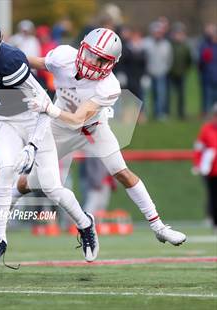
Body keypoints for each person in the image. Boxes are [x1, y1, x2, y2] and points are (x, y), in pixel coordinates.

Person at [17, 28, 186, 246]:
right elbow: (34, 62)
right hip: (60, 130)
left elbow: (78, 119)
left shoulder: (109, 86)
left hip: (93, 129)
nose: (93, 63)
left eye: (101, 60)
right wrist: (3, 58)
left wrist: (49, 109)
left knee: (122, 172)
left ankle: (159, 227)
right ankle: (2, 220)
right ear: (82, 48)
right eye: (91, 55)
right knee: (27, 182)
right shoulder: (63, 57)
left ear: (111, 63)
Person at [0, 13, 98, 265]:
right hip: (1, 120)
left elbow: (44, 104)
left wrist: (32, 144)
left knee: (53, 187)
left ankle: (85, 224)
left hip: (33, 119)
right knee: (5, 172)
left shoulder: (10, 62)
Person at [193, 104, 217, 232]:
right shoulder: (206, 129)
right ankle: (214, 221)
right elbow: (198, 148)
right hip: (211, 170)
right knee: (213, 196)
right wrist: (197, 163)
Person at [143, 21, 173, 120]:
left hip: (161, 73)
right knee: (146, 95)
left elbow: (169, 59)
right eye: (156, 32)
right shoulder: (146, 42)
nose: (158, 34)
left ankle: (159, 114)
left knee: (160, 95)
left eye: (159, 32)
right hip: (148, 73)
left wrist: (165, 69)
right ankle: (144, 115)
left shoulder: (166, 44)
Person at [169, 22, 191, 119]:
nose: (178, 36)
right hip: (171, 73)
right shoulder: (170, 45)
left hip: (182, 73)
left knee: (182, 95)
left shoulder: (185, 46)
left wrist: (185, 70)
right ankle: (167, 113)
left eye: (180, 33)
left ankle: (181, 113)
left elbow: (189, 60)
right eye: (177, 33)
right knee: (169, 94)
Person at [198, 24, 217, 115]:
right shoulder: (205, 45)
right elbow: (200, 62)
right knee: (207, 96)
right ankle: (206, 113)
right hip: (207, 75)